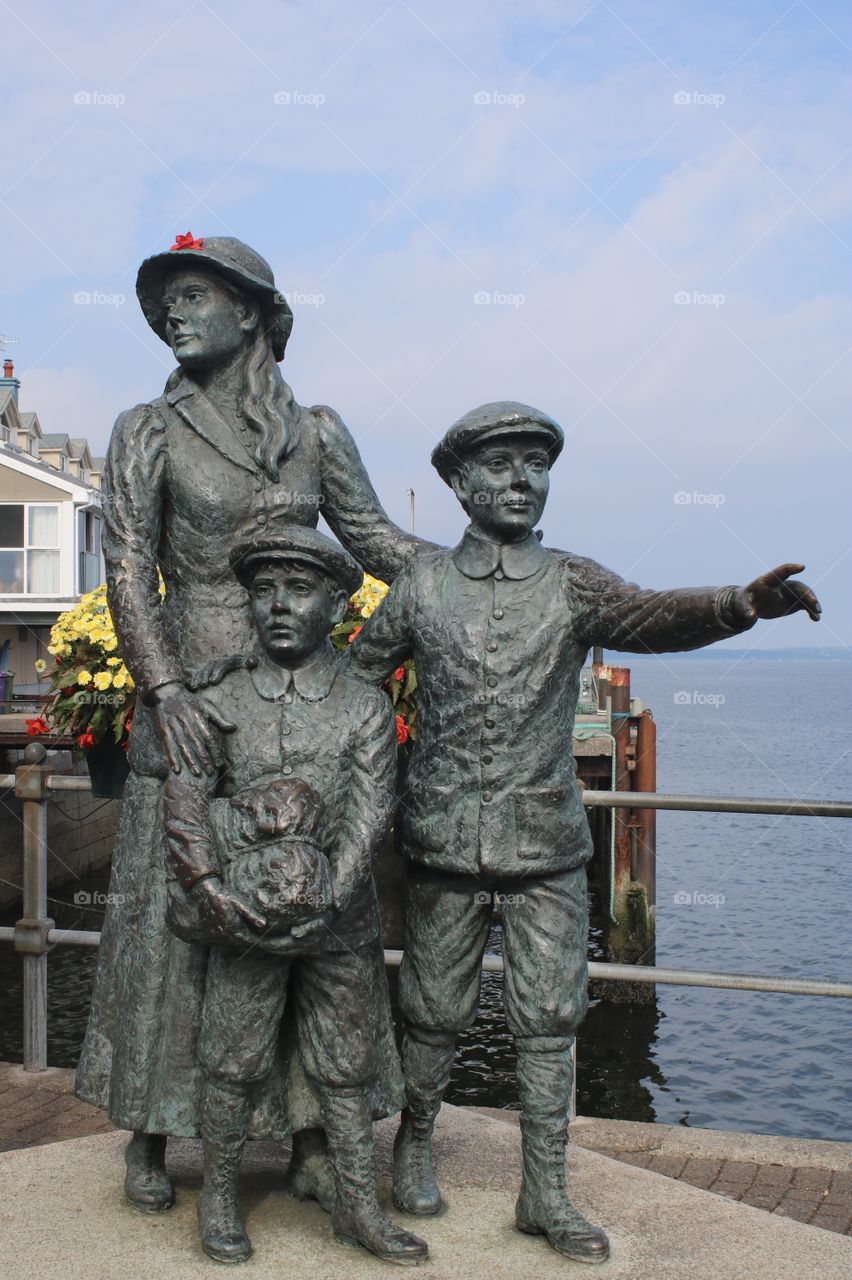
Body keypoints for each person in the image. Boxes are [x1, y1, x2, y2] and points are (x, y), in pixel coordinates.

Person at [347, 400, 821, 1265]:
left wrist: (736, 603)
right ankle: (412, 1143)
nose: (520, 479)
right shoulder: (419, 587)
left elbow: (649, 616)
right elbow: (354, 685)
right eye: (497, 463)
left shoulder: (571, 581)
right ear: (457, 483)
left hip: (547, 843)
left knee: (550, 1015)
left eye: (535, 462)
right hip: (442, 836)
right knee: (431, 1009)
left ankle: (545, 1190)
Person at [75, 233, 431, 1215]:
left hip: (301, 701)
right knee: (169, 922)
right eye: (167, 302)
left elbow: (380, 544)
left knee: (309, 904)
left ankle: (315, 1130)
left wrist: (486, 571)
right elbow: (128, 570)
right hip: (192, 699)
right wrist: (164, 690)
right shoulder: (145, 426)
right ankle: (149, 1123)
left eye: (193, 295)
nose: (174, 313)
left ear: (251, 312)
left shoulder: (314, 430)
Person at [162, 525, 428, 1265]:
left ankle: (357, 1205)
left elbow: (372, 814)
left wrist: (325, 901)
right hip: (241, 919)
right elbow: (184, 803)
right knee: (231, 1057)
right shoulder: (216, 698)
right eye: (264, 589)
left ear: (338, 604)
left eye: (300, 589)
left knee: (346, 1064)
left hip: (337, 923)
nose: (279, 604)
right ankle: (217, 1197)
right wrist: (211, 890)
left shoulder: (364, 707)